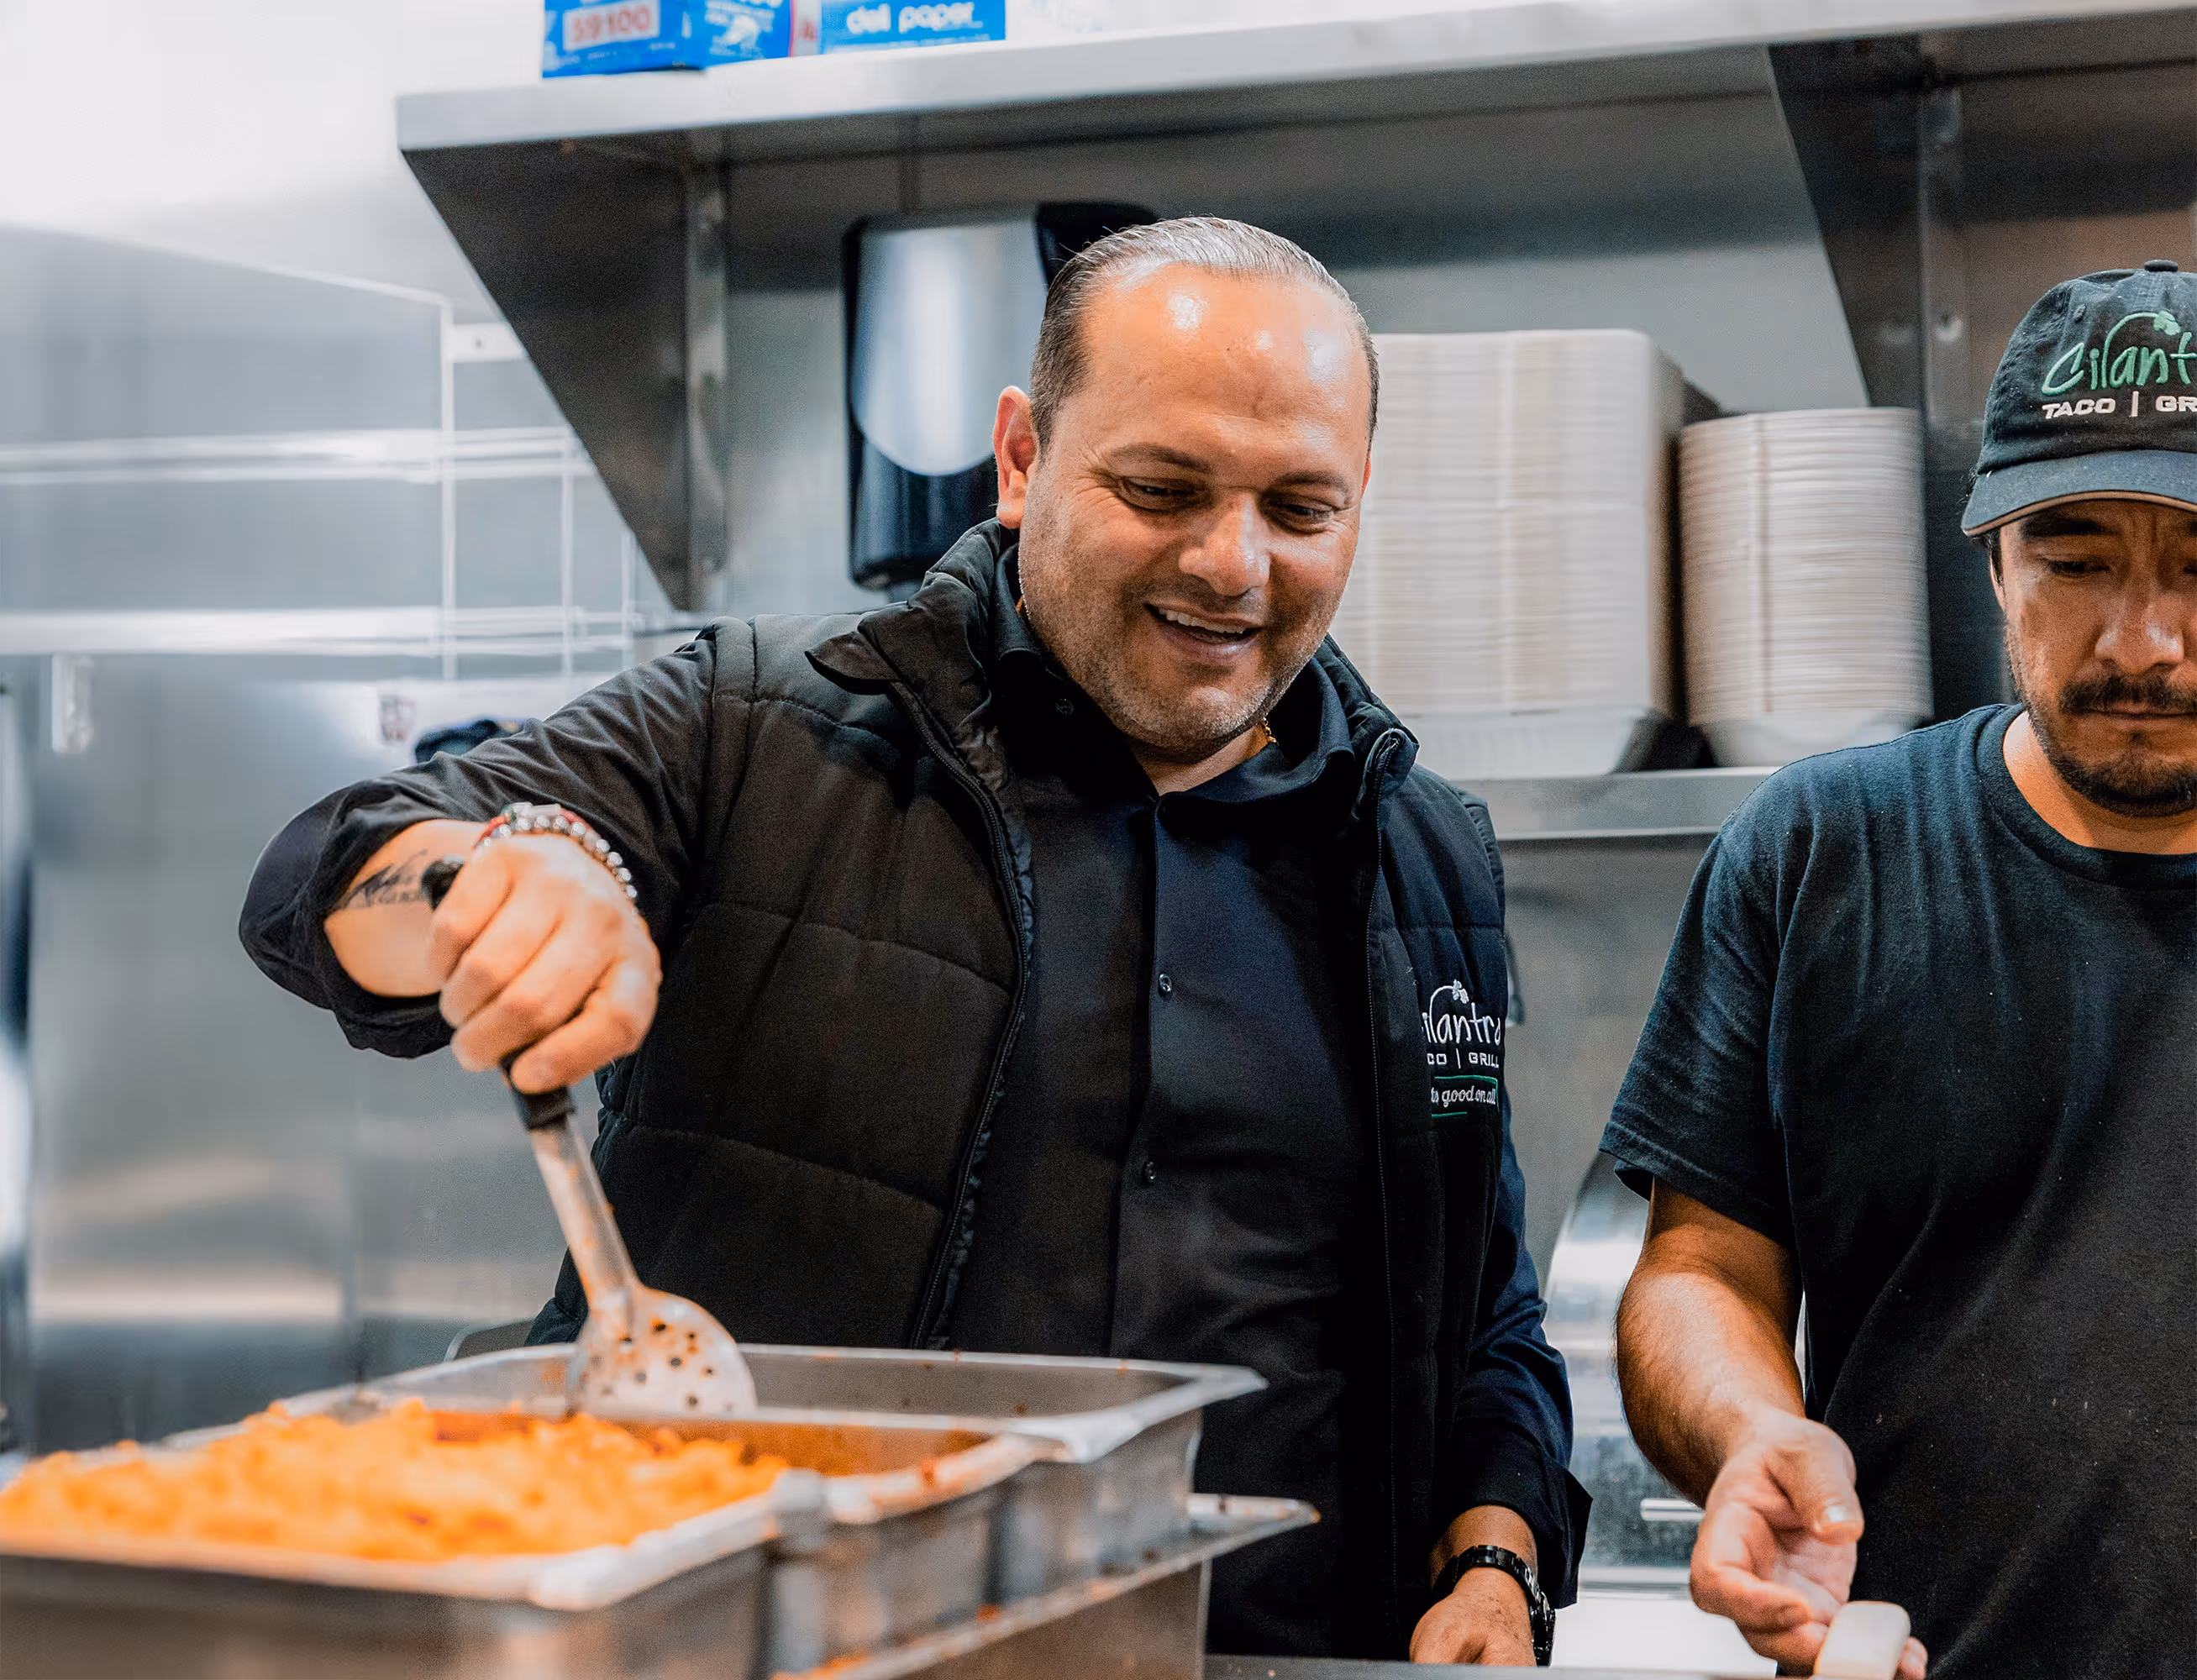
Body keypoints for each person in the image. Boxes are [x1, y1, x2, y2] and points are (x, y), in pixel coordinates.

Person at [241, 217, 1586, 1663]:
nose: (1232, 564)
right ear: (1020, 458)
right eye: (1160, 486)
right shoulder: (754, 726)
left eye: (1301, 509)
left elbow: (1479, 1306)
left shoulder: (1418, 846)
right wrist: (479, 882)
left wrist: (1497, 1557)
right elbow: (322, 877)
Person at [1606, 260, 2197, 1680]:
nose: (2144, 642)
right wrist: (1753, 1431)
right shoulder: (1819, 852)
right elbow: (1699, 1267)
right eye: (2073, 559)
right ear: (1990, 562)